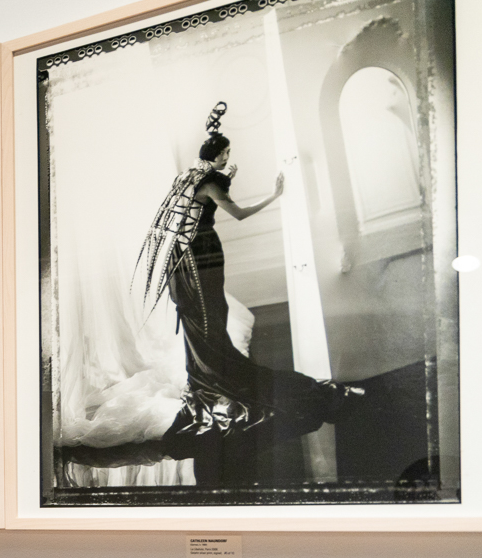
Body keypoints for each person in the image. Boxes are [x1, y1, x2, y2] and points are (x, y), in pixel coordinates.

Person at [68, 102, 361, 474]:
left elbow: (197, 202)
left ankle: (207, 365)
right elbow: (237, 213)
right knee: (210, 314)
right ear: (218, 154)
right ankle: (216, 371)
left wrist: (225, 177)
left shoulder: (189, 175)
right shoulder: (212, 181)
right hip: (202, 254)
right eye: (226, 154)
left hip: (181, 255)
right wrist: (275, 195)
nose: (227, 159)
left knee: (206, 314)